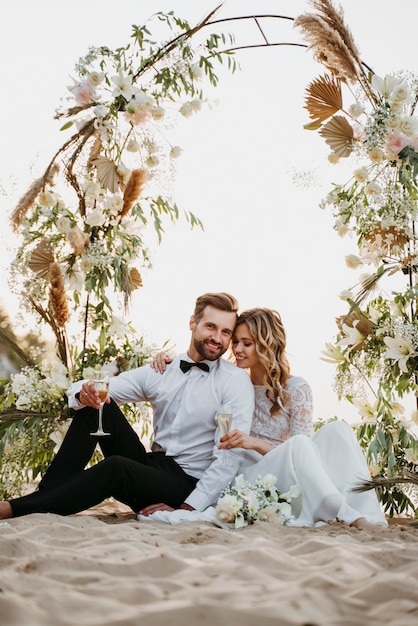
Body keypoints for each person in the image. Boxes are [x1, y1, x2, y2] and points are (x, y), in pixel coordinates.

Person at [0, 292, 254, 520]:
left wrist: (188, 508)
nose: (217, 338)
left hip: (187, 483)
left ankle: (16, 508)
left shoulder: (234, 382)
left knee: (117, 466)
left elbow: (228, 456)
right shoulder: (162, 370)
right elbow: (84, 388)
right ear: (192, 323)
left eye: (226, 332)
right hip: (151, 467)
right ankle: (46, 497)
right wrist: (84, 393)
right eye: (211, 327)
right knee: (97, 403)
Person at [152, 307, 387, 530]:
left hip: (287, 470)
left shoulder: (296, 388)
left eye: (247, 343)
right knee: (302, 444)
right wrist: (167, 359)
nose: (237, 350)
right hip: (247, 474)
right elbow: (195, 371)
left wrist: (253, 442)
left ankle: (366, 512)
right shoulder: (231, 383)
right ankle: (350, 516)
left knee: (338, 430)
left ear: (267, 345)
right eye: (235, 342)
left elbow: (302, 452)